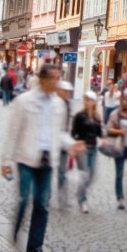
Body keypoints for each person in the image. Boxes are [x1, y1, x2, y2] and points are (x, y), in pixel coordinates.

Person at [1, 64, 84, 252]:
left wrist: (71, 144)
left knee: (42, 203)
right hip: (26, 158)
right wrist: (6, 160)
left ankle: (35, 246)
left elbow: (59, 134)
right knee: (24, 198)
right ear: (44, 79)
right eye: (54, 78)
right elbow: (12, 133)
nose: (57, 82)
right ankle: (17, 225)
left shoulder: (58, 105)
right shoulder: (24, 101)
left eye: (58, 78)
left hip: (48, 159)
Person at [72, 91, 103, 214]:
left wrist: (104, 138)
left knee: (92, 175)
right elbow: (73, 133)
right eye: (86, 100)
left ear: (94, 102)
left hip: (93, 148)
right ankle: (82, 201)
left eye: (90, 100)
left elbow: (99, 133)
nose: (87, 102)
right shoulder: (79, 116)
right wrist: (78, 144)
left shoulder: (97, 117)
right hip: (83, 149)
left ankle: (80, 193)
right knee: (85, 175)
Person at [56, 79, 75, 209]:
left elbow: (67, 125)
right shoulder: (54, 103)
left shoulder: (68, 104)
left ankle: (63, 198)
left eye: (69, 91)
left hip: (64, 141)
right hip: (53, 143)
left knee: (63, 172)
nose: (67, 93)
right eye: (65, 91)